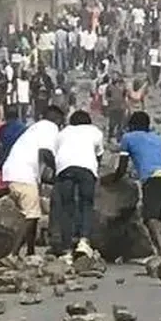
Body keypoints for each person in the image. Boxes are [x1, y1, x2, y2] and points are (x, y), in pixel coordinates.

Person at [103, 110, 161, 258]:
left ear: (131, 125)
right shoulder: (159, 139)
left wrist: (109, 180)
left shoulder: (128, 138)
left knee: (151, 219)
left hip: (153, 179)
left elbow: (121, 168)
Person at [1, 105, 65, 257]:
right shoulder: (50, 128)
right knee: (31, 215)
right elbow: (45, 153)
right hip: (23, 174)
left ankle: (30, 251)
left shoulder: (34, 128)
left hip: (13, 172)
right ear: (57, 119)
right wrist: (58, 170)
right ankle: (13, 254)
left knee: (32, 213)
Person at [51, 109, 104, 258]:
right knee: (86, 204)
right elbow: (99, 155)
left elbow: (56, 153)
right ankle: (83, 241)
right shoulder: (95, 132)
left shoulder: (62, 133)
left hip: (64, 169)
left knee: (67, 207)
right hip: (87, 168)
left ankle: (67, 248)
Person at [105, 71, 128, 142]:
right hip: (112, 107)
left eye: (116, 76)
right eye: (113, 76)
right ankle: (110, 136)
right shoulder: (109, 87)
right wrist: (110, 100)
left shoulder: (123, 86)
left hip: (121, 107)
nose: (114, 78)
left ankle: (119, 138)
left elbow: (124, 96)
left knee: (120, 124)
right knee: (112, 123)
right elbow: (107, 96)